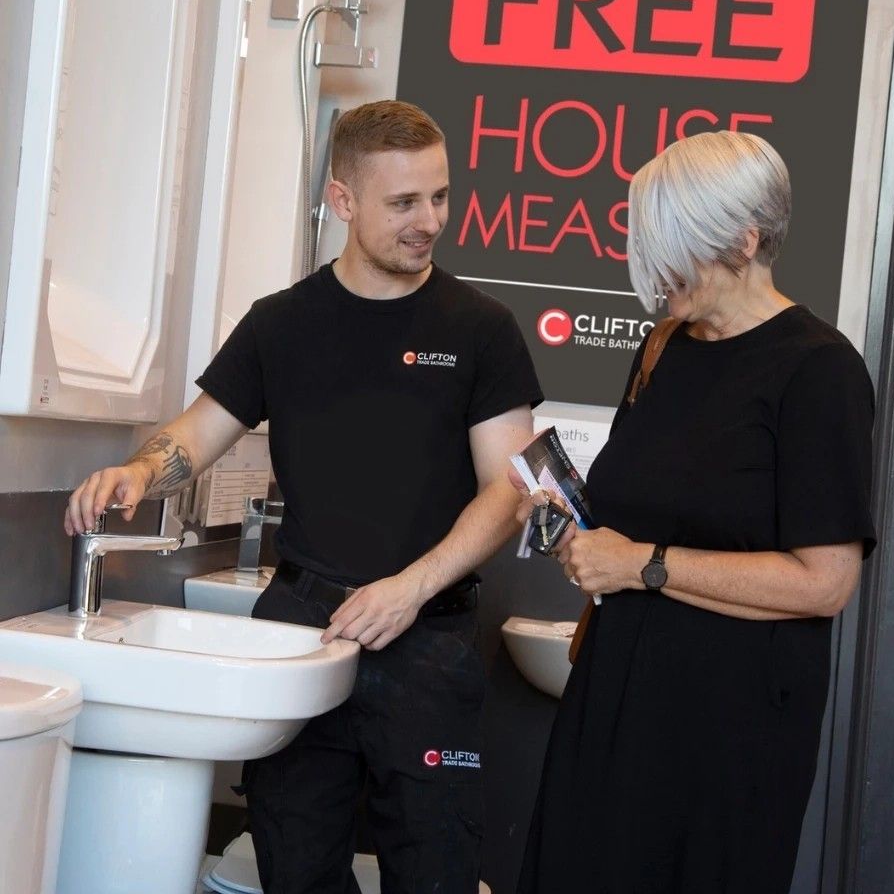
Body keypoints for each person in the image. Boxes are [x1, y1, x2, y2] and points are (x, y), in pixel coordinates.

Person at [65, 100, 543, 894]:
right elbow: (195, 434)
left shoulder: (481, 329)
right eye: (404, 202)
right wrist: (140, 473)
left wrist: (408, 589)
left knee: (437, 873)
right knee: (293, 867)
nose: (429, 221)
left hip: (429, 638)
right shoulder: (280, 325)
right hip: (299, 628)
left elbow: (512, 487)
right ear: (343, 199)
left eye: (439, 196)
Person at [514, 131, 875, 894]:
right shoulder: (661, 349)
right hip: (613, 696)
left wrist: (643, 565)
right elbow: (629, 522)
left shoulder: (820, 372)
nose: (655, 269)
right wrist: (571, 532)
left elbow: (825, 583)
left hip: (730, 727)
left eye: (675, 245)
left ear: (745, 241)